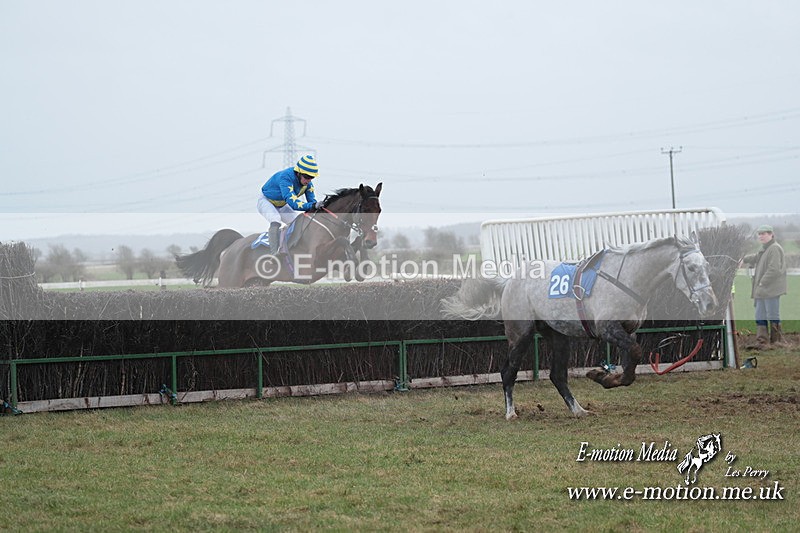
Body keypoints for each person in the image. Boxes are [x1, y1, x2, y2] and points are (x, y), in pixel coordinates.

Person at [257, 154, 323, 255]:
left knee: (297, 222)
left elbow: (312, 203)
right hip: (266, 201)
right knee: (275, 219)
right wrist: (313, 206)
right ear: (298, 173)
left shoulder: (308, 184)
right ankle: (274, 254)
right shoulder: (286, 178)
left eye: (311, 177)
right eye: (306, 177)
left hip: (282, 205)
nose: (308, 180)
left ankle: (292, 247)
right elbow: (293, 204)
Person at [741, 224, 787, 348]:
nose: (761, 236)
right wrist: (743, 259)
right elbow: (756, 257)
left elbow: (774, 269)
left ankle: (776, 342)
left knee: (773, 315)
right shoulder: (765, 248)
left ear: (771, 234)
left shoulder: (774, 248)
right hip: (761, 290)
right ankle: (762, 341)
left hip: (771, 290)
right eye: (759, 234)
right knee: (760, 315)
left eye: (764, 234)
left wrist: (762, 282)